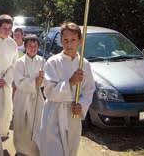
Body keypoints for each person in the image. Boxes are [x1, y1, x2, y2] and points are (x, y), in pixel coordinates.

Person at [39, 22, 95, 156]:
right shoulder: (53, 62)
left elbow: (88, 90)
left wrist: (81, 105)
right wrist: (70, 82)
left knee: (70, 150)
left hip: (72, 115)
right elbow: (49, 92)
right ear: (61, 41)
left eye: (73, 40)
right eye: (65, 40)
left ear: (80, 41)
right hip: (54, 114)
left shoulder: (84, 64)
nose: (69, 44)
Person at [13, 34, 45, 156]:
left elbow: (45, 84)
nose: (32, 48)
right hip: (21, 98)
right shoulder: (19, 62)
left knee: (36, 124)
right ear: (25, 47)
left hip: (37, 97)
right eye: (30, 46)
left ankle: (35, 150)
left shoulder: (43, 61)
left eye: (35, 46)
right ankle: (21, 150)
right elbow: (18, 81)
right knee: (21, 124)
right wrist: (34, 82)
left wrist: (42, 81)